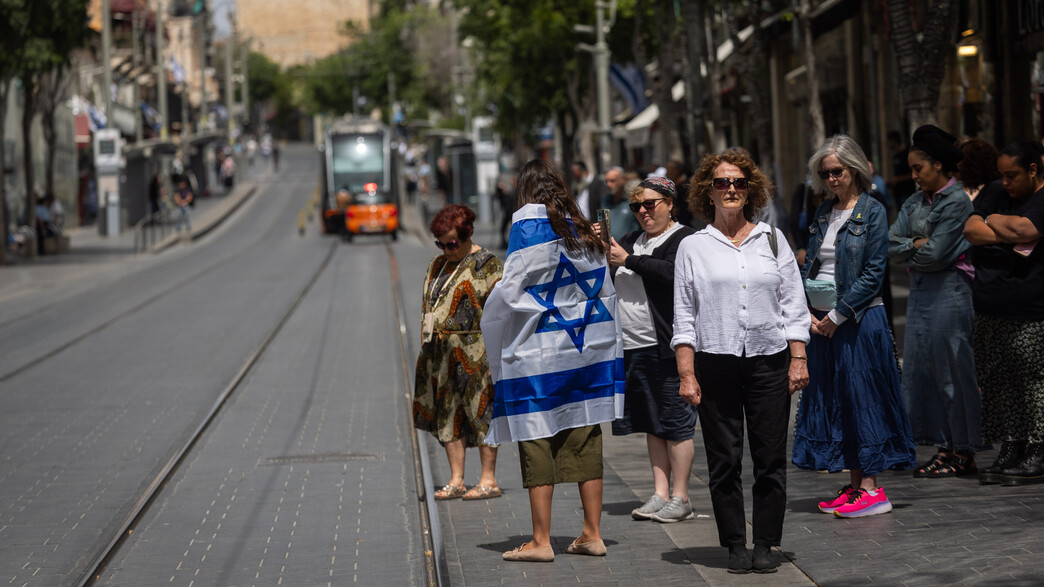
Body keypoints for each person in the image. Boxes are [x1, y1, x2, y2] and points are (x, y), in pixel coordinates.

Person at [672, 150, 809, 574]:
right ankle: (734, 544)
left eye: (738, 183)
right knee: (724, 459)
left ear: (750, 190)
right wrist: (686, 372)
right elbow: (684, 314)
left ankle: (766, 543)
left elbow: (793, 303)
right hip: (715, 361)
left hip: (769, 360)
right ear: (706, 192)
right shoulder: (693, 246)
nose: (730, 189)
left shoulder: (772, 238)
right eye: (721, 183)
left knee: (769, 458)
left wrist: (798, 357)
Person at [481, 159, 624, 562]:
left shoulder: (527, 229)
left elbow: (512, 292)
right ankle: (592, 534)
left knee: (537, 438)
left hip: (538, 357)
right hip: (583, 355)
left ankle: (541, 541)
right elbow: (599, 289)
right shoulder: (583, 230)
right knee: (583, 434)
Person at [792, 135, 916, 517]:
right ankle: (856, 482)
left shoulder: (873, 211)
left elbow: (874, 272)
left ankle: (873, 488)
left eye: (837, 171)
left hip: (859, 320)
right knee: (839, 400)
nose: (831, 179)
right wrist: (807, 310)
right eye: (825, 173)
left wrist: (837, 314)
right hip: (824, 323)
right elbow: (813, 263)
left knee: (866, 399)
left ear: (855, 168)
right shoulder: (824, 213)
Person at [599, 177, 697, 524]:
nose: (643, 211)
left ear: (670, 204)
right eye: (636, 206)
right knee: (651, 422)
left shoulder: (684, 239)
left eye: (650, 204)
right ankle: (660, 492)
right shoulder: (629, 240)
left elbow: (671, 274)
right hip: (632, 344)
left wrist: (628, 261)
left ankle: (682, 496)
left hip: (669, 347)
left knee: (676, 422)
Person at [888, 125, 980, 478]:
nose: (913, 176)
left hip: (951, 292)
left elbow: (939, 254)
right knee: (924, 372)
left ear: (939, 166)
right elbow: (890, 243)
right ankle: (945, 446)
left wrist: (913, 246)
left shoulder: (956, 201)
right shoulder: (914, 202)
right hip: (922, 292)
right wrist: (916, 245)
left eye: (918, 169)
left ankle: (964, 449)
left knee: (953, 372)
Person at [963, 141, 1044, 486]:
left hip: (1030, 309)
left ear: (1033, 170)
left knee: (1032, 382)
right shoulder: (996, 191)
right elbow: (969, 229)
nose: (1005, 182)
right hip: (989, 304)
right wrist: (1005, 228)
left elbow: (1028, 230)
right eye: (1002, 175)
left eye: (1012, 175)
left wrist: (992, 223)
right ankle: (1012, 444)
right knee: (998, 381)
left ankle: (1038, 449)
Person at [413, 204, 504, 500]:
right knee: (447, 415)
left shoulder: (488, 264)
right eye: (439, 243)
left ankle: (488, 480)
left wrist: (499, 356)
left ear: (468, 235)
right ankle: (456, 479)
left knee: (481, 414)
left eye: (451, 243)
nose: (445, 249)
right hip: (440, 353)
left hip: (478, 350)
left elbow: (502, 313)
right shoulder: (436, 265)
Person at [601, 166, 640, 241]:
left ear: (623, 180)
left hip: (628, 250)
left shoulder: (633, 200)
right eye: (606, 181)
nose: (608, 184)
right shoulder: (605, 200)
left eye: (612, 181)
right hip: (608, 249)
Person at [887, 130, 917, 208]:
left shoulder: (906, 153)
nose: (888, 144)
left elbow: (912, 174)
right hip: (898, 193)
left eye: (889, 141)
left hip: (907, 192)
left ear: (894, 140)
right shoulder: (895, 156)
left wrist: (898, 179)